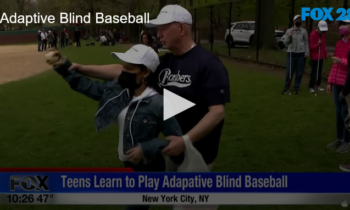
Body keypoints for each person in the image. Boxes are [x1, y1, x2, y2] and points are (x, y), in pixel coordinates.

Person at [66, 4, 230, 172]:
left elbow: (217, 112)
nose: (158, 34)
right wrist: (82, 68)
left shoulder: (209, 64)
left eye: (163, 29)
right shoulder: (166, 62)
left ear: (181, 28)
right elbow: (123, 71)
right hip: (171, 147)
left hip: (198, 152)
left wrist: (185, 140)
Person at [46, 45, 182, 209]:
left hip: (148, 168)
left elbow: (176, 141)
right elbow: (88, 86)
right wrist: (63, 66)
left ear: (145, 72)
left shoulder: (159, 103)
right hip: (129, 164)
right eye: (123, 67)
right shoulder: (120, 91)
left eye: (130, 69)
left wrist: (144, 148)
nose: (124, 72)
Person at [326, 20, 350, 154]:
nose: (342, 27)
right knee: (338, 113)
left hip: (347, 84)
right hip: (336, 83)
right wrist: (330, 81)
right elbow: (334, 64)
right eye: (340, 24)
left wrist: (342, 61)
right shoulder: (339, 43)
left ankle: (347, 141)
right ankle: (339, 138)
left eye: (345, 24)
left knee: (345, 113)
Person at [281, 15, 309, 94]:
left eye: (300, 20)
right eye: (297, 20)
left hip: (301, 54)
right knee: (289, 72)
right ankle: (287, 88)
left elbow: (306, 42)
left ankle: (296, 88)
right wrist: (288, 36)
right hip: (291, 53)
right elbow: (285, 43)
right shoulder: (289, 31)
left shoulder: (304, 31)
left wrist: (306, 52)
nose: (298, 21)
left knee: (299, 72)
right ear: (294, 22)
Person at [308, 20, 328, 93]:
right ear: (318, 28)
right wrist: (317, 45)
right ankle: (311, 86)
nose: (323, 32)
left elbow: (324, 44)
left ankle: (317, 85)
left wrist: (325, 53)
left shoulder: (323, 34)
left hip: (321, 56)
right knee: (314, 72)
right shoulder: (312, 34)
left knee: (319, 71)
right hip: (315, 56)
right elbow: (311, 47)